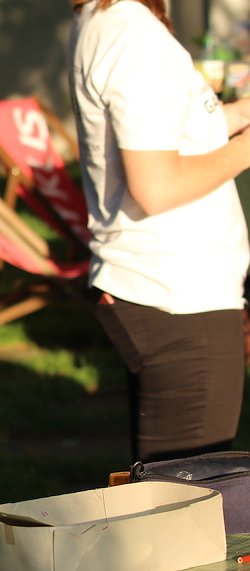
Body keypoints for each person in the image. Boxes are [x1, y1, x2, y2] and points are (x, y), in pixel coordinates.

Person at [67, 0, 250, 463]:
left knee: (168, 505)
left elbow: (167, 131)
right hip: (180, 300)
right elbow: (156, 185)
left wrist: (238, 114)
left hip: (163, 292)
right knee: (179, 509)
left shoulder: (107, 19)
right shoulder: (134, 35)